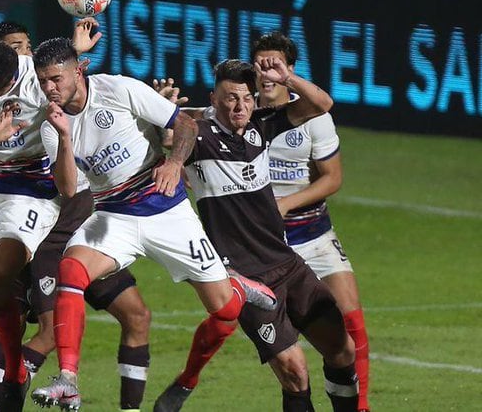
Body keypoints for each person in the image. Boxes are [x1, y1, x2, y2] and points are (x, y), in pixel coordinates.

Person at [0, 21, 152, 412]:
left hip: (75, 215)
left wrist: (76, 49)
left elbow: (70, 81)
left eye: (26, 47)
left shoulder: (46, 87)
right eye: (16, 48)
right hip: (24, 217)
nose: (24, 54)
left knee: (133, 314)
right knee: (14, 314)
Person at [28, 37, 276, 411]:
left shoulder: (120, 89)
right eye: (43, 80)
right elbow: (66, 188)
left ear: (78, 71)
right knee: (71, 270)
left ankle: (236, 286)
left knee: (224, 310)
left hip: (166, 210)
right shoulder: (52, 124)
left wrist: (175, 162)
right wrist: (63, 135)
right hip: (113, 214)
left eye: (56, 79)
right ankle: (68, 380)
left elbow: (187, 126)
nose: (50, 88)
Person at [153, 58, 358, 412]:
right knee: (295, 371)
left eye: (247, 98)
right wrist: (161, 118)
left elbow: (322, 105)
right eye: (231, 97)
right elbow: (174, 137)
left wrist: (288, 78)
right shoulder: (199, 136)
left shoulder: (262, 126)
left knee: (342, 349)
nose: (240, 106)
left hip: (286, 262)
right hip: (247, 280)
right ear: (213, 98)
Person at [258, 32, 371, 412]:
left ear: (290, 69)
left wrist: (288, 202)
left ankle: (361, 405)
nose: (267, 73)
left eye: (275, 65)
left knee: (351, 321)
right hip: (267, 244)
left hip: (314, 234)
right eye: (261, 65)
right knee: (239, 328)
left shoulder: (310, 118)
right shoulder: (244, 115)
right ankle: (185, 383)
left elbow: (332, 179)